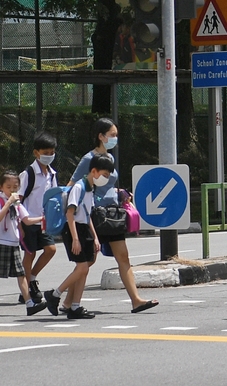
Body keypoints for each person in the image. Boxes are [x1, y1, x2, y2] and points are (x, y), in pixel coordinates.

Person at [67, 117, 158, 314]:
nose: (115, 138)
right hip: (95, 216)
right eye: (112, 135)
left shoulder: (110, 158)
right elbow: (72, 185)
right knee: (88, 261)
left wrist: (119, 193)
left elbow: (107, 184)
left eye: (116, 135)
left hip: (113, 215)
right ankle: (64, 299)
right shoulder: (88, 159)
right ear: (101, 136)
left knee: (123, 256)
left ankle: (136, 300)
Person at [0, 171, 47, 317]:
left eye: (15, 187)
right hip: (0, 243)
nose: (12, 190)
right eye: (9, 187)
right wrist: (8, 203)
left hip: (13, 243)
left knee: (21, 274)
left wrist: (42, 219)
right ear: (1, 187)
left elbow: (27, 220)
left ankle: (30, 304)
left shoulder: (17, 203)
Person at [50, 154, 108, 319]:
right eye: (104, 174)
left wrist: (95, 237)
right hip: (74, 230)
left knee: (84, 270)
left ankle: (75, 306)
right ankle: (55, 294)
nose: (105, 178)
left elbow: (87, 215)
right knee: (82, 267)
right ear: (94, 171)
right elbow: (70, 213)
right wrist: (75, 239)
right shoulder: (79, 187)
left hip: (85, 230)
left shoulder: (90, 189)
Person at [18, 132, 59, 306]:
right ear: (36, 153)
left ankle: (31, 279)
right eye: (45, 153)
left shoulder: (52, 174)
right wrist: (21, 222)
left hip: (44, 221)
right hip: (29, 220)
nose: (49, 156)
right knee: (30, 253)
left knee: (50, 249)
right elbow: (18, 199)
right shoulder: (28, 174)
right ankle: (27, 290)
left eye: (52, 153)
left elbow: (54, 195)